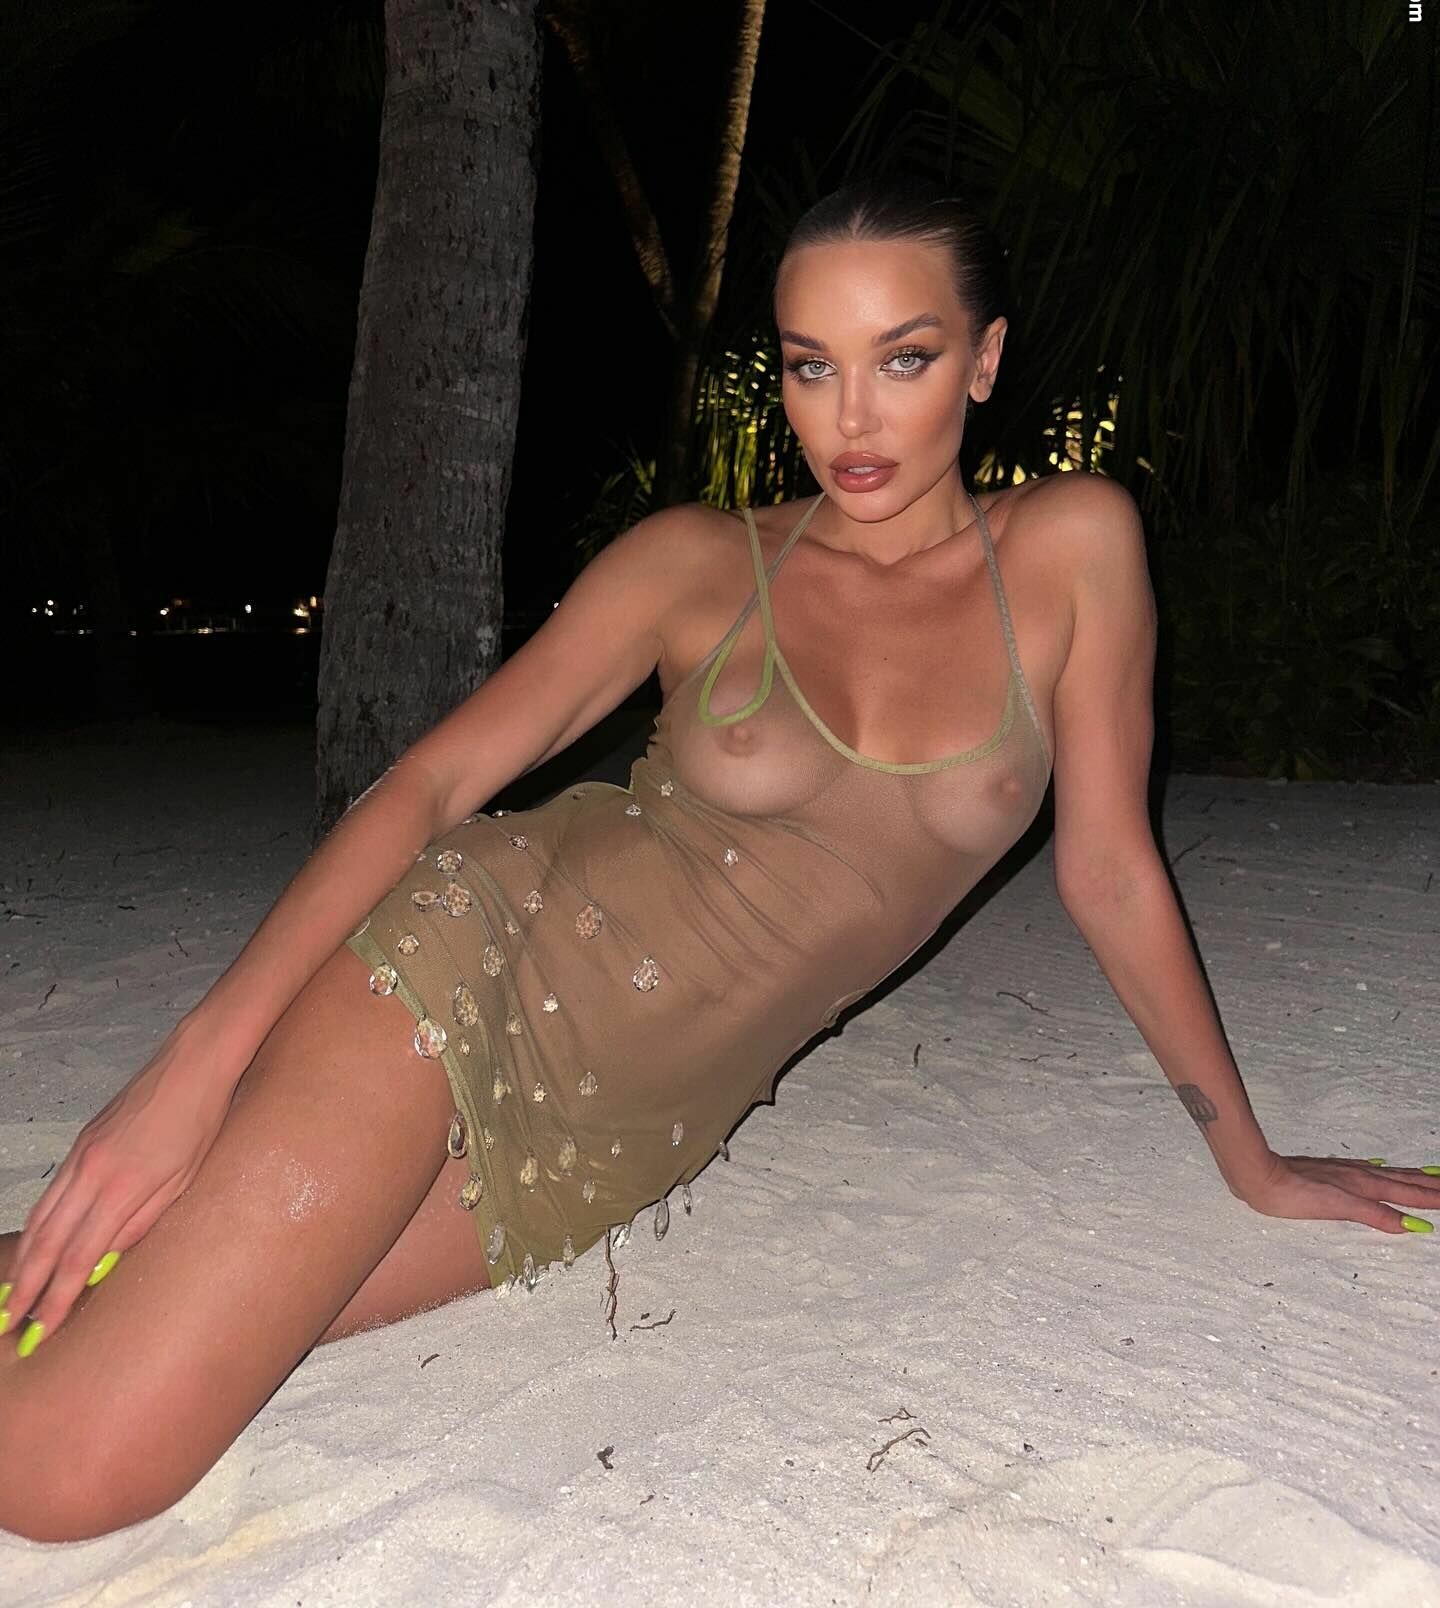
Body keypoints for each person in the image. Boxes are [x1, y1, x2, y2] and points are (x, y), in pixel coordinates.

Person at [2, 173, 1436, 1544]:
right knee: (75, 1469)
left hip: (628, 1132)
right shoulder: (697, 562)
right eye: (812, 366)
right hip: (475, 970)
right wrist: (189, 1070)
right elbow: (431, 782)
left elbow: (1109, 869)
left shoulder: (1075, 546)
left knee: (134, 1306)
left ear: (987, 361)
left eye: (905, 358)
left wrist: (1246, 1159)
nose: (851, 416)